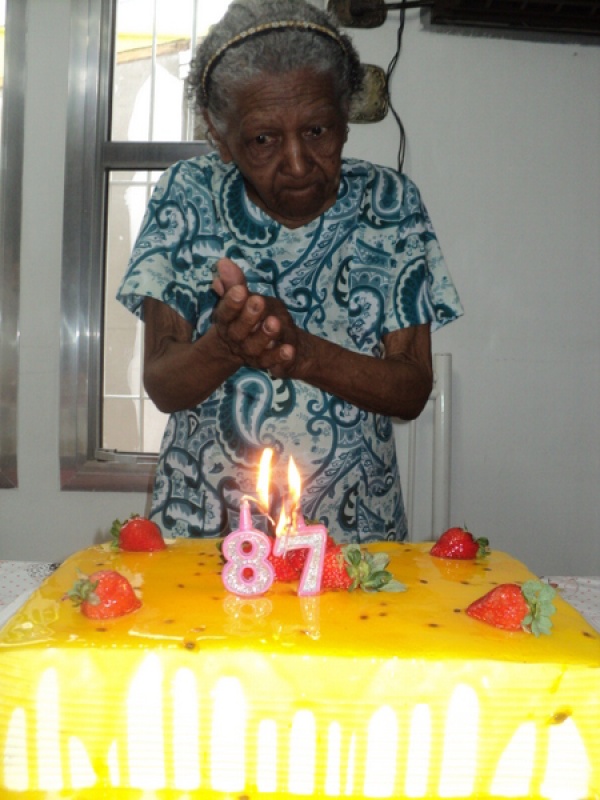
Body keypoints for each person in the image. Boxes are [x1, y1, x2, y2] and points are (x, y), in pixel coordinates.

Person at [117, 0, 463, 543]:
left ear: (347, 115)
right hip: (208, 539)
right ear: (220, 134)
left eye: (319, 131)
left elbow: (411, 388)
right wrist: (228, 345)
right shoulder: (187, 195)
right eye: (263, 140)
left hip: (352, 545)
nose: (299, 163)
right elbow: (162, 383)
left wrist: (300, 352)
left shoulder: (390, 203)